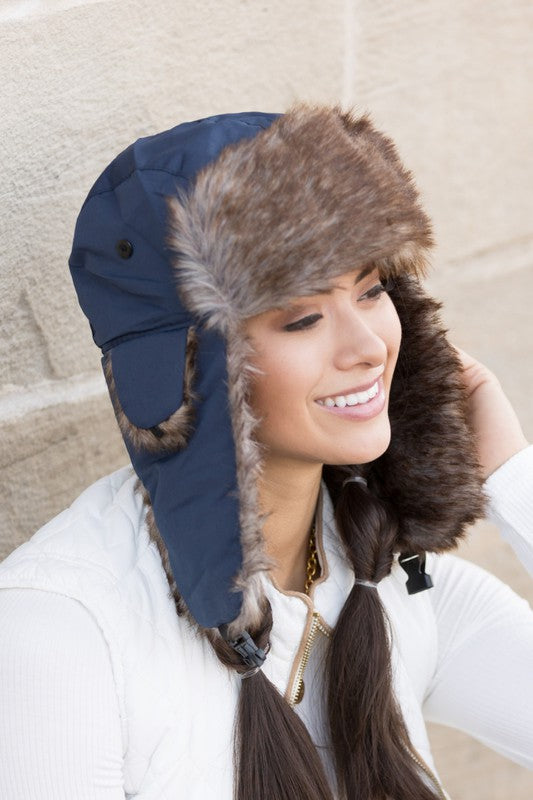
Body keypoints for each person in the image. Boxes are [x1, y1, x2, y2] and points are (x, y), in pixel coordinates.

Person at [0, 105, 531, 800]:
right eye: (303, 317)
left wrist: (512, 477)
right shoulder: (61, 629)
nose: (368, 347)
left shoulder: (385, 574)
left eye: (371, 289)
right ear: (187, 367)